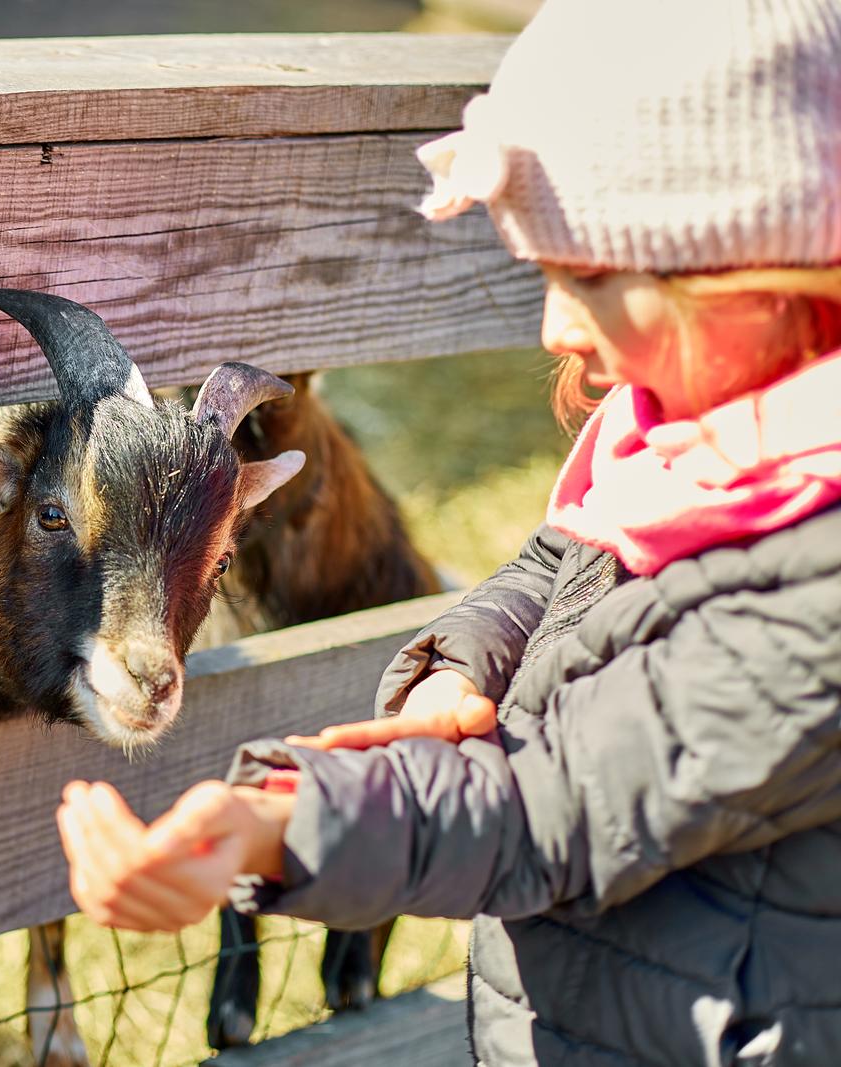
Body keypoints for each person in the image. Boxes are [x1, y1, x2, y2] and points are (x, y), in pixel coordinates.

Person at [55, 0, 841, 1062]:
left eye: (593, 279)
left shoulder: (819, 572)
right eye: (546, 274)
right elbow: (566, 561)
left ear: (764, 269)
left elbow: (547, 805)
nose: (555, 327)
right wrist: (455, 665)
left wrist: (276, 827)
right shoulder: (698, 436)